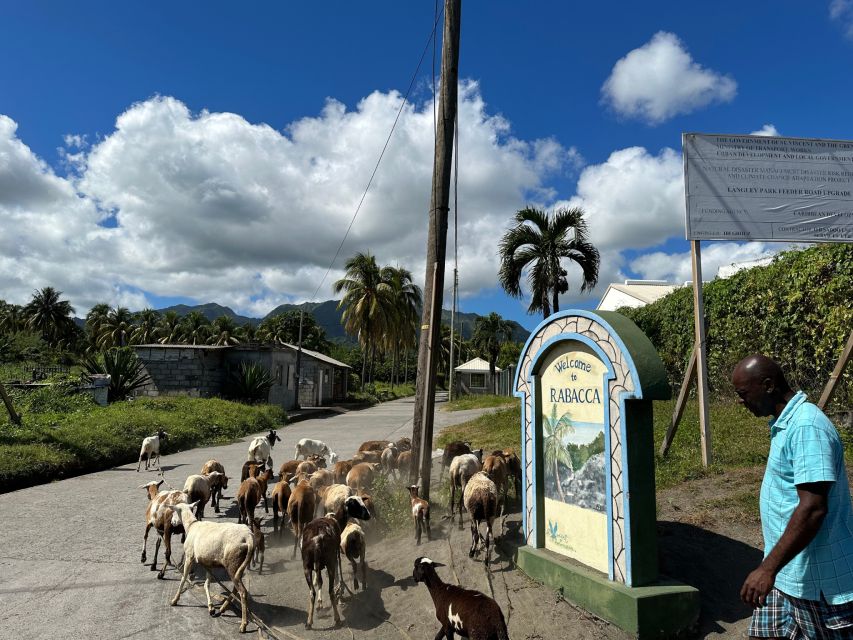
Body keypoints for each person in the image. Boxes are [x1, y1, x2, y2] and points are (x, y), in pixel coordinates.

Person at [732, 354, 853, 638]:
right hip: (787, 575)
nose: (741, 401)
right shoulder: (786, 423)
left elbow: (812, 508)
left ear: (768, 385)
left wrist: (766, 570)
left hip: (818, 583)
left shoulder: (807, 426)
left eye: (744, 393)